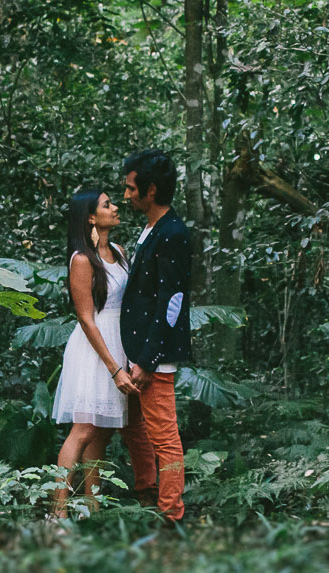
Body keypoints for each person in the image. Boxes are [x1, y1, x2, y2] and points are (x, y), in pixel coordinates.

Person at [48, 186, 135, 517]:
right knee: (83, 429)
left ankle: (92, 510)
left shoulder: (119, 252)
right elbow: (85, 318)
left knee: (101, 434)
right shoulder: (82, 259)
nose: (115, 208)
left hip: (118, 342)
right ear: (90, 217)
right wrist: (114, 368)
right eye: (106, 204)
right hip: (93, 349)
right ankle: (57, 513)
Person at [117, 148, 191, 524]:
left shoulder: (173, 233)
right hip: (137, 349)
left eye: (132, 189)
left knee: (164, 436)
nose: (126, 195)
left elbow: (171, 302)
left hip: (153, 355)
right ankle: (147, 491)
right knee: (133, 428)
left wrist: (149, 359)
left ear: (151, 189)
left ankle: (171, 514)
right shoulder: (151, 228)